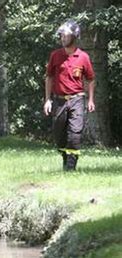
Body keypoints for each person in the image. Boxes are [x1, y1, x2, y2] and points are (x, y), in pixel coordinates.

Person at [44, 20, 95, 171]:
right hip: (59, 100)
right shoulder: (55, 55)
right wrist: (47, 100)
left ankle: (71, 167)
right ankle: (65, 157)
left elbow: (90, 79)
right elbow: (49, 77)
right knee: (59, 134)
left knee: (75, 133)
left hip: (77, 99)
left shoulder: (83, 57)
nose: (62, 38)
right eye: (61, 36)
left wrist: (91, 100)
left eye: (66, 36)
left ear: (74, 36)